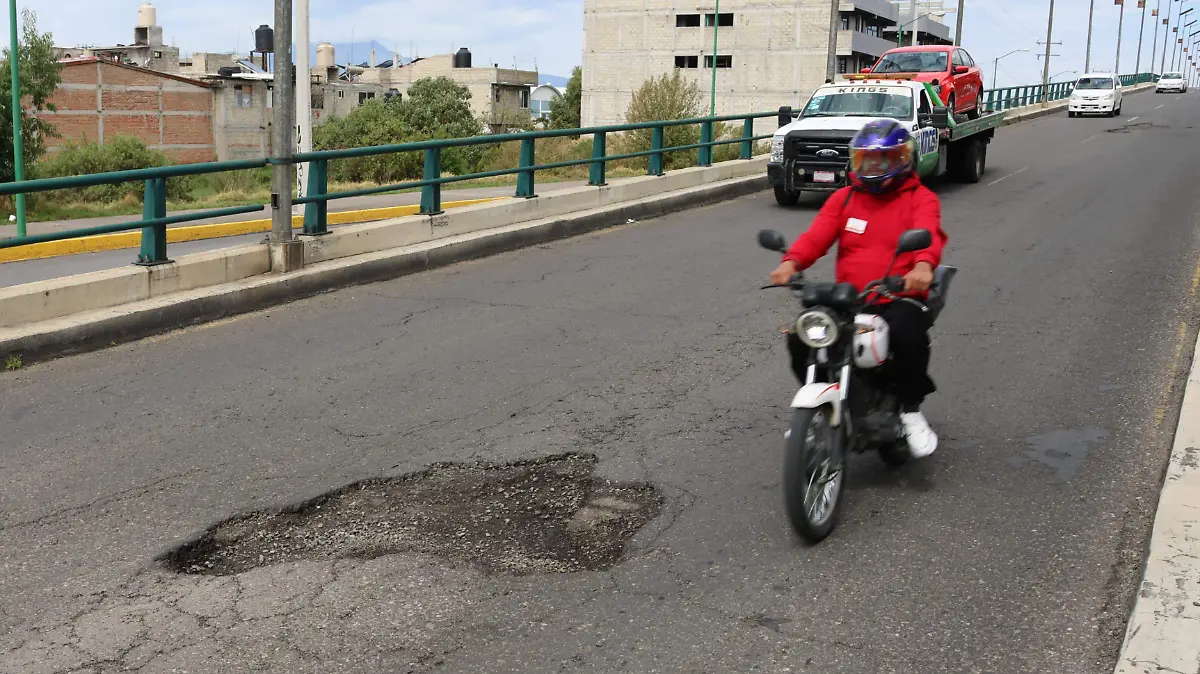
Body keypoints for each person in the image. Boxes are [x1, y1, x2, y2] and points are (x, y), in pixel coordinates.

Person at [768, 118, 948, 458]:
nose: (874, 165)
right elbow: (817, 235)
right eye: (866, 159)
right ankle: (818, 407)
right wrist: (791, 262)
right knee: (801, 337)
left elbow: (929, 233)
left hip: (897, 294)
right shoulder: (845, 198)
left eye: (883, 159)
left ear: (902, 159)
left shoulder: (920, 199)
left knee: (908, 335)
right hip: (850, 298)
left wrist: (922, 266)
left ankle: (910, 409)